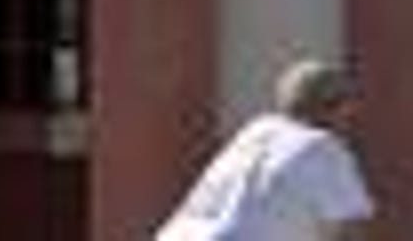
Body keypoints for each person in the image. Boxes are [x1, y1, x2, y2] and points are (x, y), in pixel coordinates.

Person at [152, 59, 375, 241]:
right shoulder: (321, 147)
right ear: (335, 108)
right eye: (347, 105)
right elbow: (352, 229)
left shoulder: (254, 133)